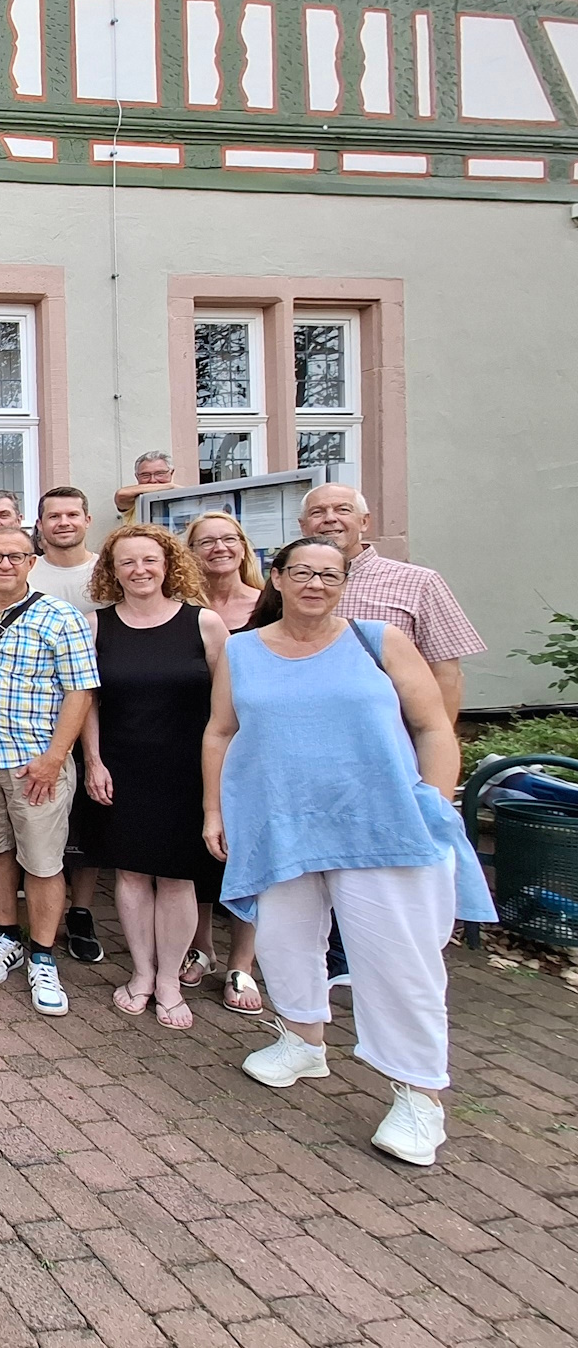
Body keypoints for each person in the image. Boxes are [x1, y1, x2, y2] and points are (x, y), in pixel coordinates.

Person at [203, 536, 484, 1166]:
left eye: (330, 575)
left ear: (345, 584)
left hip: (378, 825)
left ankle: (420, 1096)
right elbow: (220, 731)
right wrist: (215, 810)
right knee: (284, 942)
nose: (316, 584)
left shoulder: (379, 641)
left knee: (396, 961)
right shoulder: (243, 650)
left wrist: (435, 802)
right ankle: (303, 1040)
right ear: (277, 577)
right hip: (279, 823)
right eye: (303, 572)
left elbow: (433, 726)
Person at [78, 526, 229, 1030]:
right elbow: (86, 701)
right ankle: (142, 972)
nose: (139, 570)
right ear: (112, 570)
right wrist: (94, 760)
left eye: (149, 560)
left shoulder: (205, 624)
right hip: (121, 766)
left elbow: (225, 711)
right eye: (127, 562)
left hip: (188, 768)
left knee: (178, 876)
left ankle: (169, 980)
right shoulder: (96, 626)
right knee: (131, 874)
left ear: (168, 565)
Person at [0, 527, 99, 1018]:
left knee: (42, 861)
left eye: (15, 556)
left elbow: (80, 691)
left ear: (32, 562)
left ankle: (42, 954)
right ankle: (5, 934)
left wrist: (56, 757)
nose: (5, 564)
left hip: (33, 763)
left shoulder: (61, 617)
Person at [299, 483, 483, 723]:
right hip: (310, 723)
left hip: (392, 729)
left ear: (364, 522)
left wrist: (437, 737)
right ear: (303, 526)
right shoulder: (287, 584)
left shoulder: (419, 582)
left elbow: (446, 674)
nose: (330, 518)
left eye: (343, 509)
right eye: (318, 512)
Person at [180, 510, 265, 1007]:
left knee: (244, 847)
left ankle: (242, 962)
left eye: (228, 539)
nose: (218, 548)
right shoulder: (182, 609)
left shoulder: (266, 605)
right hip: (194, 737)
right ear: (190, 553)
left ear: (243, 546)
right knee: (199, 846)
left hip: (252, 742)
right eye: (205, 541)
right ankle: (201, 946)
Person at [27, 486, 107, 964]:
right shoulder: (27, 571)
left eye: (72, 514)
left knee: (89, 817)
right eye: (53, 516)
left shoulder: (105, 571)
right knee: (45, 813)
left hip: (100, 702)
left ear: (87, 519)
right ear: (40, 525)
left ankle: (82, 909)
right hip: (37, 716)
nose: (63, 523)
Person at [113, 450, 178, 517]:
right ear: (137, 477)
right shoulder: (134, 500)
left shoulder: (180, 497)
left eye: (159, 474)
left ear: (171, 473)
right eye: (145, 475)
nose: (152, 480)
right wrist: (170, 486)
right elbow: (121, 494)